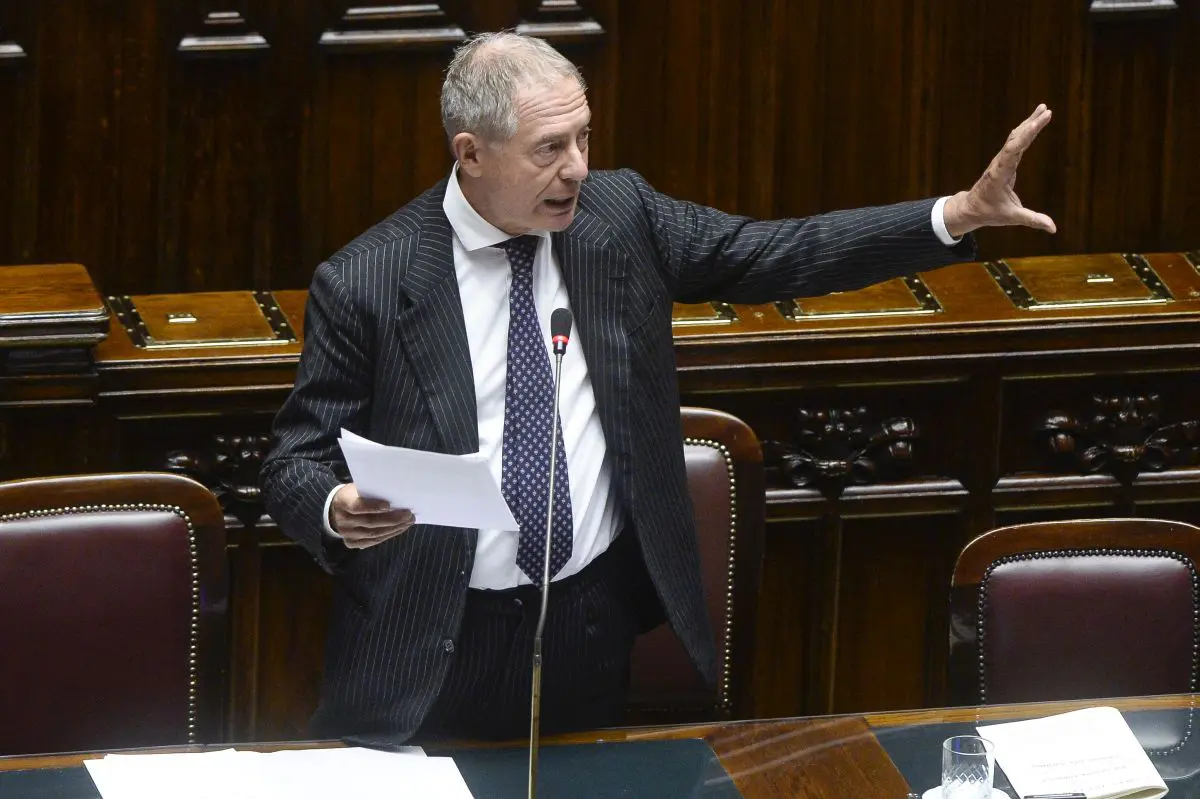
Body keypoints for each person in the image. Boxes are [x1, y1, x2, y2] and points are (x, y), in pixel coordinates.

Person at [260, 31, 1055, 744]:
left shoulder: (621, 218)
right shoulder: (370, 279)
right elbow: (295, 459)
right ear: (470, 153)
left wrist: (955, 214)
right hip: (434, 637)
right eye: (548, 148)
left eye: (583, 137)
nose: (576, 167)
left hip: (586, 623)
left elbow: (773, 252)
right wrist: (335, 506)